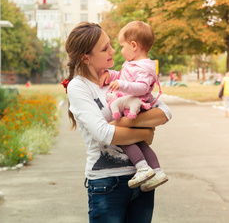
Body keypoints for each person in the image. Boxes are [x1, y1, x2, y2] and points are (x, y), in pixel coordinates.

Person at [62, 22, 172, 223]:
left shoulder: (123, 77)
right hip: (107, 185)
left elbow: (163, 112)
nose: (113, 51)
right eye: (105, 49)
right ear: (86, 57)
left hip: (144, 181)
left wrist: (120, 126)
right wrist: (145, 133)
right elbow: (103, 135)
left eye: (111, 44)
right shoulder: (79, 87)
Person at [99, 21, 168, 192]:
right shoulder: (133, 65)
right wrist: (110, 74)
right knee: (140, 142)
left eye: (122, 46)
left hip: (137, 106)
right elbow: (123, 75)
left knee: (124, 139)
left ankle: (143, 168)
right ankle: (157, 171)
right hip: (130, 105)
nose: (119, 51)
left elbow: (142, 87)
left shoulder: (144, 67)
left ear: (134, 45)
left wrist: (121, 85)